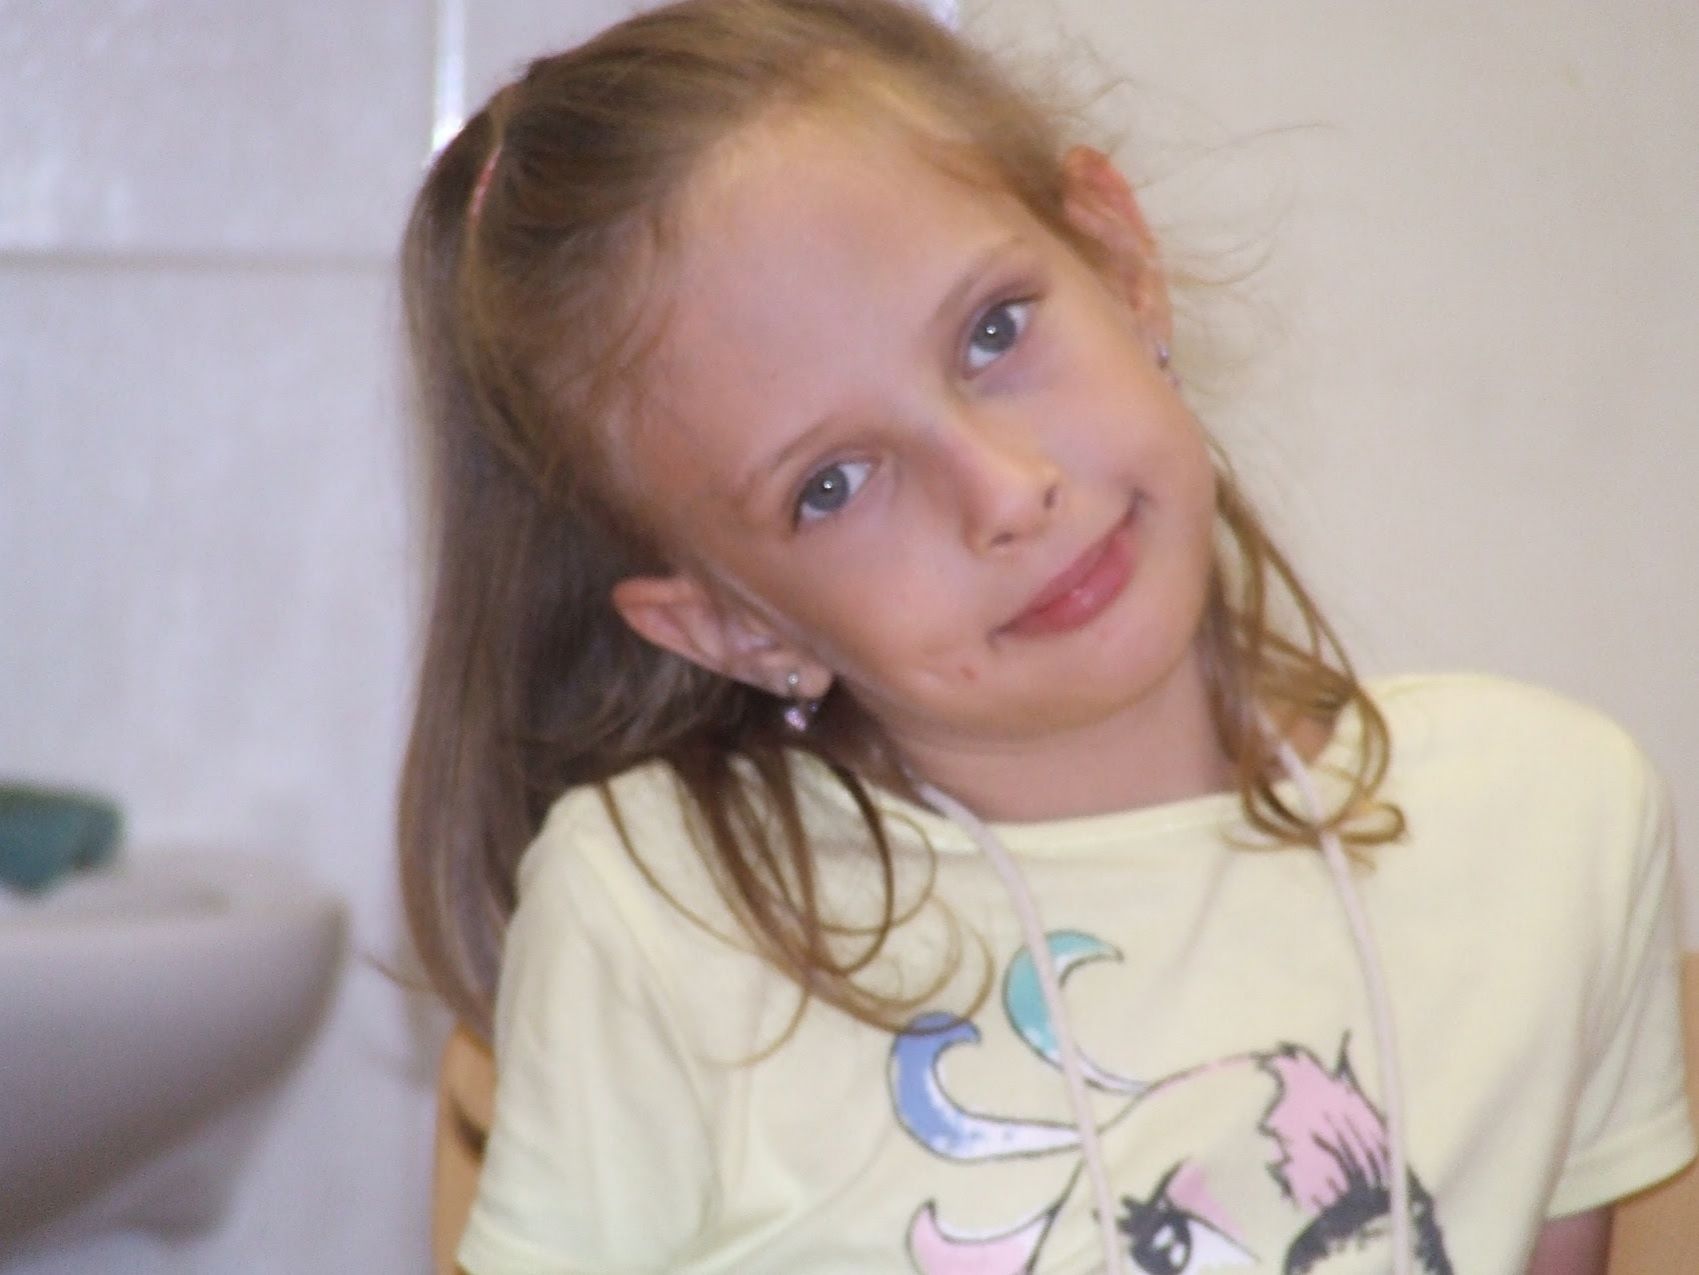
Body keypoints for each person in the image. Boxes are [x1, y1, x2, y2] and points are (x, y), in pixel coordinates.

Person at [396, 1, 1694, 1271]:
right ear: (735, 624)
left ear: (1121, 264)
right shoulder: (654, 914)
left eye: (994, 331)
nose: (1006, 492)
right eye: (833, 485)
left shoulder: (1549, 828)